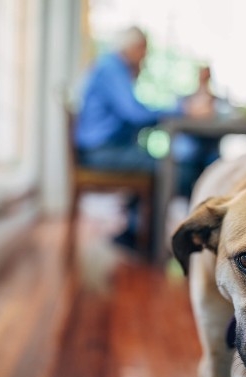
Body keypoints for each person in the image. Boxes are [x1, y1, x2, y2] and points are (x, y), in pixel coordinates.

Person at [75, 26, 199, 250]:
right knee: (173, 169)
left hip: (106, 148)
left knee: (160, 162)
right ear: (133, 48)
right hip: (102, 151)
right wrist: (181, 109)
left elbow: (134, 112)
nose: (145, 58)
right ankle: (145, 239)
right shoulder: (112, 67)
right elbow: (134, 113)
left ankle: (135, 231)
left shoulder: (112, 67)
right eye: (144, 51)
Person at [172, 66, 220, 197]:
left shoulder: (217, 100)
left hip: (211, 150)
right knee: (185, 172)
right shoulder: (185, 99)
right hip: (190, 151)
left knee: (216, 168)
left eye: (207, 75)